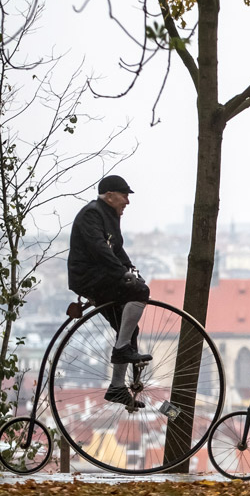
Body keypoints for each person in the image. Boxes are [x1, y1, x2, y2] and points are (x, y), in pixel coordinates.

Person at [67, 175, 151, 409]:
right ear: (110, 195)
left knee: (129, 327)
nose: (127, 201)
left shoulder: (110, 215)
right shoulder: (92, 213)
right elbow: (100, 249)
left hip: (102, 275)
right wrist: (123, 275)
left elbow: (117, 250)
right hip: (90, 276)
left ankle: (116, 388)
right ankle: (121, 349)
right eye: (125, 195)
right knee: (140, 292)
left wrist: (131, 269)